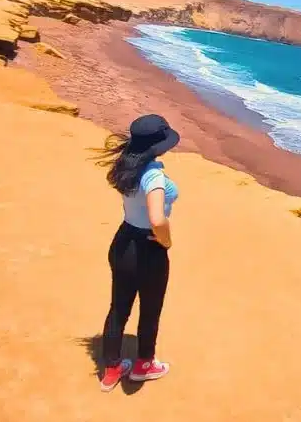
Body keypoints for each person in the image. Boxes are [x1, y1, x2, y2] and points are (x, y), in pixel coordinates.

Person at [91, 114, 180, 392]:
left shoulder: (127, 165)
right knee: (150, 309)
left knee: (118, 308)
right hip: (147, 247)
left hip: (123, 239)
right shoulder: (153, 175)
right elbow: (157, 219)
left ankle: (112, 370)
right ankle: (144, 365)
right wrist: (166, 242)